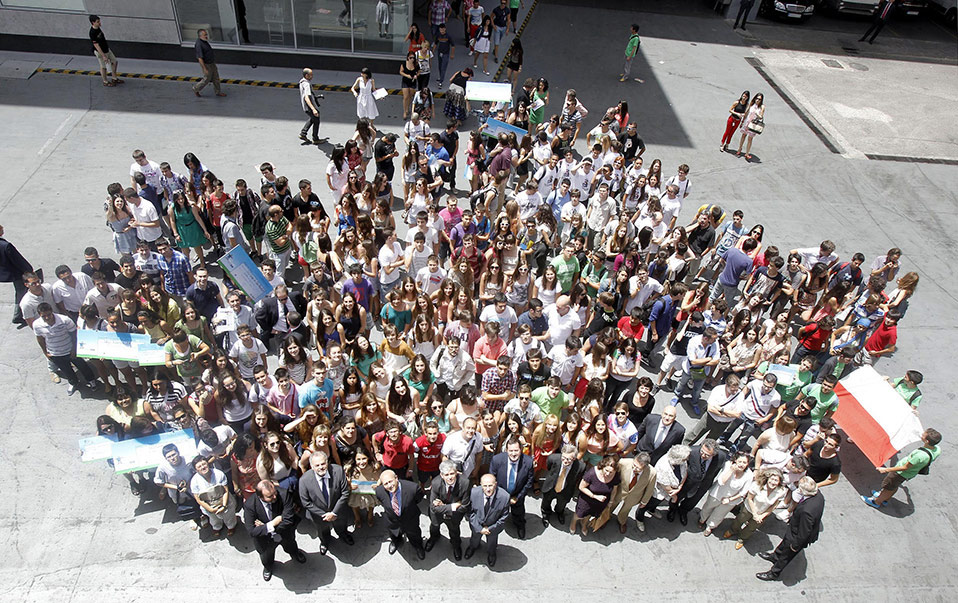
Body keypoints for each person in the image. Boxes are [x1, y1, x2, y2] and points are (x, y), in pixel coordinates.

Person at [756, 476, 824, 580]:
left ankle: (774, 573)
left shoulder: (807, 511)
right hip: (794, 529)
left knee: (786, 556)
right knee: (784, 544)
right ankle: (775, 556)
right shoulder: (818, 495)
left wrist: (795, 546)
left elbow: (804, 532)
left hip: (797, 537)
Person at [862, 427, 941, 509]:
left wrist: (886, 469)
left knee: (888, 487)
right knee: (893, 486)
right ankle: (885, 499)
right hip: (909, 473)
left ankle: (876, 501)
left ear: (927, 441)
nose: (921, 435)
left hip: (900, 473)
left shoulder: (920, 455)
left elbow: (905, 467)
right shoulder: (937, 449)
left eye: (923, 435)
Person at [244, 480, 306, 581]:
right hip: (264, 539)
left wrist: (264, 527)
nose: (275, 497)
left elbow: (288, 519)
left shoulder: (283, 494)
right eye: (270, 496)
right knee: (266, 556)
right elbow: (251, 531)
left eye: (275, 493)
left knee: (291, 545)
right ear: (260, 497)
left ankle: (295, 553)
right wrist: (272, 524)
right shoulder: (250, 505)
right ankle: (268, 567)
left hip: (284, 532)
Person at [33, 303, 98, 396]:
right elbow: (40, 339)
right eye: (44, 316)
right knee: (66, 370)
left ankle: (91, 380)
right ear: (39, 315)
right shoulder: (37, 325)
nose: (47, 318)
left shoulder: (64, 320)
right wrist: (45, 352)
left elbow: (74, 335)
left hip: (70, 350)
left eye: (48, 315)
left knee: (82, 366)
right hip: (55, 352)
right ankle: (73, 382)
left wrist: (74, 349)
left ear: (52, 312)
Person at [299, 451, 354, 555]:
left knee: (341, 526)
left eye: (323, 464)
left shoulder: (338, 471)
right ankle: (324, 542)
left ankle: (343, 535)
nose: (321, 467)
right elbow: (306, 502)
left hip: (338, 511)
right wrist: (324, 515)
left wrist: (334, 513)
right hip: (318, 515)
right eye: (317, 465)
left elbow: (345, 493)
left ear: (327, 462)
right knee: (322, 531)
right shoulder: (304, 480)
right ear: (311, 466)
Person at [671, 439, 726, 526]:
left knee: (691, 502)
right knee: (677, 498)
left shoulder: (721, 457)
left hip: (703, 485)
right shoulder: (692, 451)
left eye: (707, 455)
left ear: (714, 454)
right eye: (702, 452)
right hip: (687, 482)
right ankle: (672, 510)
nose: (703, 455)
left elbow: (716, 470)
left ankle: (683, 511)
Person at [489, 438, 534, 538]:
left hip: (517, 494)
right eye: (511, 451)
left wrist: (518, 497)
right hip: (500, 494)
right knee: (496, 512)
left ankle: (520, 525)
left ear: (521, 450)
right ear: (506, 450)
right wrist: (499, 495)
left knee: (519, 512)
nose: (513, 454)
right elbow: (492, 479)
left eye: (516, 450)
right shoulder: (497, 460)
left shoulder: (528, 461)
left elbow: (529, 482)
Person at [375, 469, 426, 558]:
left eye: (390, 481)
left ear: (396, 478)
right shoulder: (379, 492)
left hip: (410, 519)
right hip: (392, 521)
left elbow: (418, 499)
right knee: (394, 533)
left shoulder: (413, 488)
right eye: (386, 484)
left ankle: (418, 546)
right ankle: (396, 541)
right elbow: (383, 503)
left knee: (414, 534)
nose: (389, 486)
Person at [426, 460, 471, 560]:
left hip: (454, 516)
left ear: (456, 473)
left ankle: (456, 546)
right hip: (437, 514)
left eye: (452, 473)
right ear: (442, 475)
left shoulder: (465, 483)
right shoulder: (436, 483)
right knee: (434, 527)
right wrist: (453, 506)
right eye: (446, 475)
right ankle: (434, 538)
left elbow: (465, 506)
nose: (450, 477)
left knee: (454, 531)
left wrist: (443, 506)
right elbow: (433, 507)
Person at [465, 473, 511, 567]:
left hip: (493, 527)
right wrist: (479, 527)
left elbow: (503, 517)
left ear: (496, 484)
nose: (488, 489)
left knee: (492, 542)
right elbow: (469, 512)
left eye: (490, 485)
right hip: (477, 524)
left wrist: (490, 529)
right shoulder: (474, 493)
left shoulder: (504, 497)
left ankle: (491, 553)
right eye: (485, 486)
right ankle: (473, 547)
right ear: (481, 485)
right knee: (474, 537)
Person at [189, 455, 239, 538]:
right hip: (208, 505)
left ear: (208, 464)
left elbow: (226, 491)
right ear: (196, 469)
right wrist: (210, 509)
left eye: (204, 464)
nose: (203, 467)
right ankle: (217, 527)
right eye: (199, 466)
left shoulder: (219, 474)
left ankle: (231, 526)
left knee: (229, 516)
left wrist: (224, 505)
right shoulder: (194, 481)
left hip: (224, 501)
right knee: (214, 519)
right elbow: (198, 499)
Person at [540, 444, 585, 526]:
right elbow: (549, 467)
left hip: (566, 489)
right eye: (563, 457)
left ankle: (559, 512)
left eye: (568, 459)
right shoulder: (553, 458)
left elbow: (578, 477)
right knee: (546, 502)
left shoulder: (580, 466)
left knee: (561, 505)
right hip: (551, 486)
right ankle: (546, 514)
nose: (565, 461)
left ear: (574, 459)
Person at [611, 452, 656, 533]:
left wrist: (644, 501)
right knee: (612, 503)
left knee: (626, 509)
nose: (634, 468)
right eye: (634, 465)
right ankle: (605, 517)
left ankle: (622, 521)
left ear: (645, 467)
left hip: (635, 496)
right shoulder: (623, 462)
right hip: (620, 490)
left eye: (638, 468)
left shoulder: (652, 473)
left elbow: (650, 488)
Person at [0, 224, 33, 327]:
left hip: (3, 273)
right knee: (21, 292)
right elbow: (18, 261)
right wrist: (29, 270)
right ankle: (18, 315)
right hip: (14, 273)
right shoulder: (6, 246)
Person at [89, 15, 121, 87]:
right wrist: (103, 56)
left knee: (114, 61)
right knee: (103, 67)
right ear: (93, 23)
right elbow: (96, 45)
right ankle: (105, 81)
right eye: (98, 22)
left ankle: (114, 77)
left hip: (106, 49)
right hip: (100, 52)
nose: (100, 23)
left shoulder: (98, 28)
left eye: (99, 21)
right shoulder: (92, 32)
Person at [192, 29, 225, 97]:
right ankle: (196, 88)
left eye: (206, 34)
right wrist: (204, 68)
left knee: (216, 78)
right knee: (206, 79)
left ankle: (218, 92)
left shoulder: (204, 41)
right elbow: (200, 58)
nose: (206, 36)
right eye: (205, 35)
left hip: (211, 63)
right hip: (207, 64)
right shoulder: (199, 44)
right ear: (200, 36)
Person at [299, 68, 327, 145]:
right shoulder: (307, 84)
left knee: (313, 118)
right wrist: (313, 109)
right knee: (316, 120)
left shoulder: (302, 82)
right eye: (311, 75)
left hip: (306, 106)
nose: (312, 76)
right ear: (306, 75)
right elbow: (306, 97)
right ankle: (315, 138)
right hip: (309, 106)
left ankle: (303, 133)